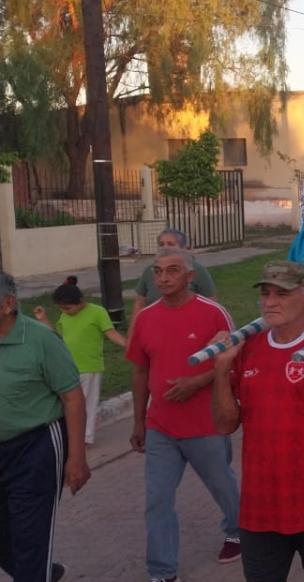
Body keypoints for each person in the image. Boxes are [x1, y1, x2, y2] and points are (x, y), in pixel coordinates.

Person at [209, 262, 304, 582]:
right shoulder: (247, 349)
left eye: (282, 293)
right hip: (260, 509)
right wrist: (222, 369)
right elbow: (224, 425)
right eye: (265, 293)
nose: (270, 302)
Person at [124, 247, 240, 582]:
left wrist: (197, 381)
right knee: (157, 500)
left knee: (222, 486)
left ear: (190, 277)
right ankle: (162, 571)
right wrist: (138, 421)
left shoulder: (213, 314)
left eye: (172, 271)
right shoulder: (145, 318)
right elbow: (139, 372)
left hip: (206, 423)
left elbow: (233, 365)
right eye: (157, 271)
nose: (163, 278)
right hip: (161, 426)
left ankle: (237, 530)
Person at [0, 270, 90, 582]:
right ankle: (44, 573)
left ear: (8, 303)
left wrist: (77, 457)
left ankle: (36, 572)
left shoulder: (40, 340)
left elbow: (73, 397)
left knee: (30, 539)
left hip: (35, 447)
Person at [32, 277, 127, 445]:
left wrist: (128, 345)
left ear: (81, 301)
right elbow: (57, 338)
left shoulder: (97, 312)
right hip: (68, 367)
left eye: (68, 308)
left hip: (90, 367)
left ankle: (85, 438)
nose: (65, 311)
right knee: (68, 404)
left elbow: (110, 333)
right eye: (62, 308)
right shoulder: (64, 316)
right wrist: (43, 319)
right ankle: (70, 435)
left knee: (87, 404)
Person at [132, 228, 217, 318]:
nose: (165, 248)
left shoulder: (197, 270)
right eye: (161, 244)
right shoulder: (149, 270)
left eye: (170, 244)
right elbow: (139, 303)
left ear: (182, 248)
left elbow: (211, 303)